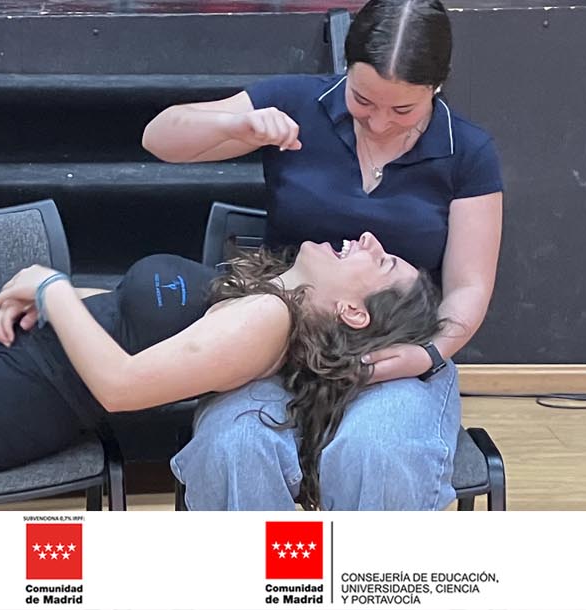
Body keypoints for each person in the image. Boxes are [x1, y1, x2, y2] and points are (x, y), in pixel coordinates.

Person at [0, 233, 440, 511]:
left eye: (380, 262)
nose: (367, 239)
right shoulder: (265, 295)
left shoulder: (266, 323)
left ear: (354, 311)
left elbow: (121, 386)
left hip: (2, 401)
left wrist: (51, 285)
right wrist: (60, 302)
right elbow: (135, 316)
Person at [141, 0, 505, 510]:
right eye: (363, 100)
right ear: (346, 69)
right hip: (276, 348)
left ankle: (362, 567)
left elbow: (469, 286)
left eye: (403, 110)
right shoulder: (296, 102)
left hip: (394, 354)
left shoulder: (467, 152)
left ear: (437, 86)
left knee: (376, 451)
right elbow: (159, 138)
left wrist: (427, 355)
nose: (379, 122)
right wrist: (234, 125)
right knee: (234, 446)